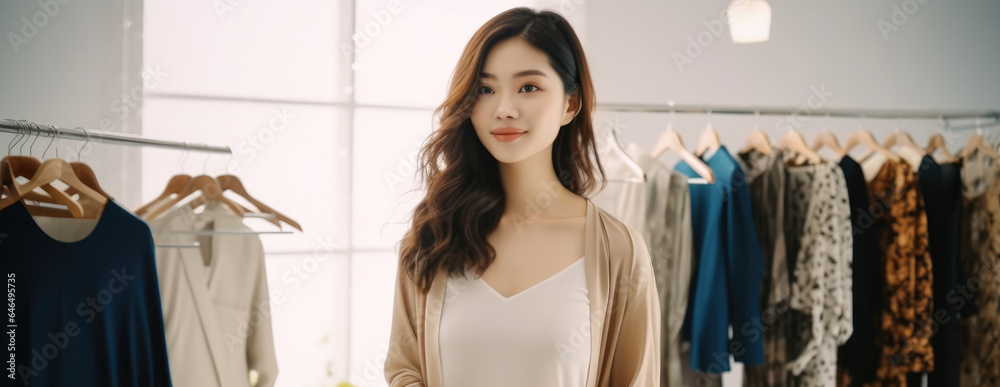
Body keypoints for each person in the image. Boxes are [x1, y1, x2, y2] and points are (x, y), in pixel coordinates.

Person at [385, 7, 660, 387]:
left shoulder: (619, 252)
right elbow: (405, 370)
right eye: (485, 89)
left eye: (528, 87)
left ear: (570, 104)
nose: (504, 109)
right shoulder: (434, 237)